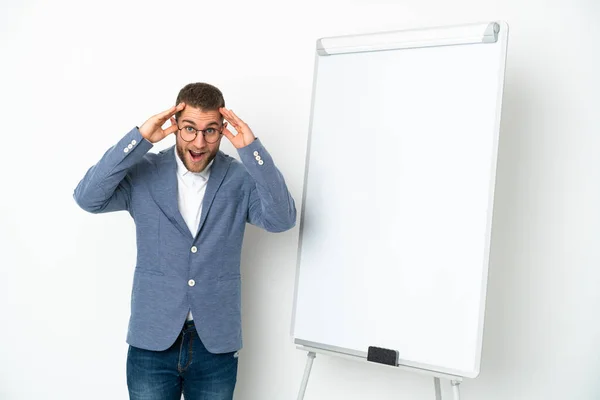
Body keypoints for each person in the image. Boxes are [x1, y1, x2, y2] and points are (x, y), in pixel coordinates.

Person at [73, 82, 297, 399]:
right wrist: (138, 140)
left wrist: (253, 151)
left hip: (215, 343)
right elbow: (88, 198)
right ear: (175, 125)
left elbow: (282, 219)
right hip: (152, 338)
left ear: (223, 131)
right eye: (189, 129)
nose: (199, 142)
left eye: (211, 131)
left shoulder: (239, 178)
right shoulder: (143, 172)